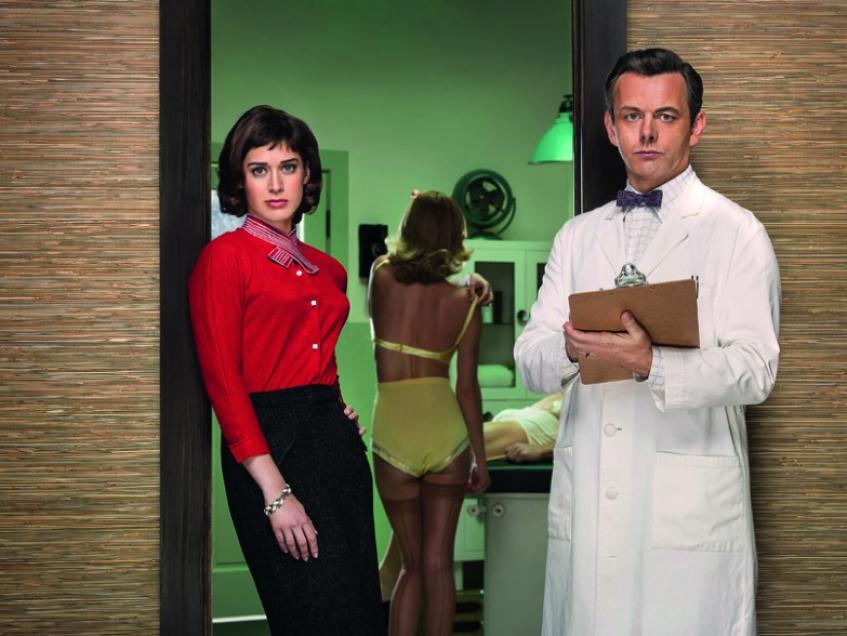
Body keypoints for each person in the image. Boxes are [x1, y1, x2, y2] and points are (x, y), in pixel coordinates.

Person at [514, 48, 781, 636]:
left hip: (686, 514)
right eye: (632, 116)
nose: (648, 133)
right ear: (611, 127)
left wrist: (652, 363)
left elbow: (756, 368)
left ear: (696, 126)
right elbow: (529, 358)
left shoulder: (736, 233)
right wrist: (574, 347)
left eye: (666, 116)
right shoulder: (576, 237)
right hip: (591, 507)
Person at [188, 105, 383, 635]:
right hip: (268, 451)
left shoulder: (329, 270)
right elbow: (224, 382)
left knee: (360, 613)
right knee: (309, 616)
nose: (275, 184)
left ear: (307, 174)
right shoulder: (224, 259)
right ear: (240, 180)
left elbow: (320, 358)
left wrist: (335, 407)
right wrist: (275, 495)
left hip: (334, 450)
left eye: (288, 167)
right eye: (259, 169)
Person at [368, 191, 491, 636]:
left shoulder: (381, 276)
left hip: (393, 435)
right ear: (456, 237)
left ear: (408, 230)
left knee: (411, 566)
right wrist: (479, 459)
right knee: (440, 565)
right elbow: (467, 389)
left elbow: (396, 255)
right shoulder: (467, 302)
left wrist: (418, 206)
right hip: (447, 438)